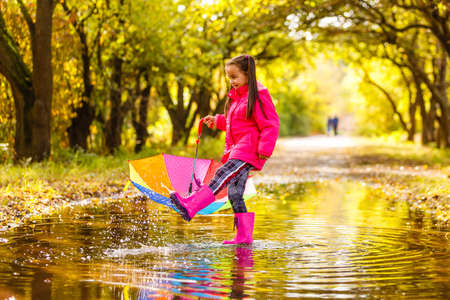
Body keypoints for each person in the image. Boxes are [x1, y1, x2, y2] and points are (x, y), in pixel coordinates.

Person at [170, 54, 280, 244]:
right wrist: (218, 120)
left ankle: (192, 205)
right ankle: (243, 237)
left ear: (247, 75)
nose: (231, 81)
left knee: (222, 173)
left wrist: (264, 148)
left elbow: (271, 123)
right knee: (235, 193)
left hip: (249, 149)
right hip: (238, 148)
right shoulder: (237, 98)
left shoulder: (258, 95)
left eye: (234, 77)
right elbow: (236, 122)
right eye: (229, 77)